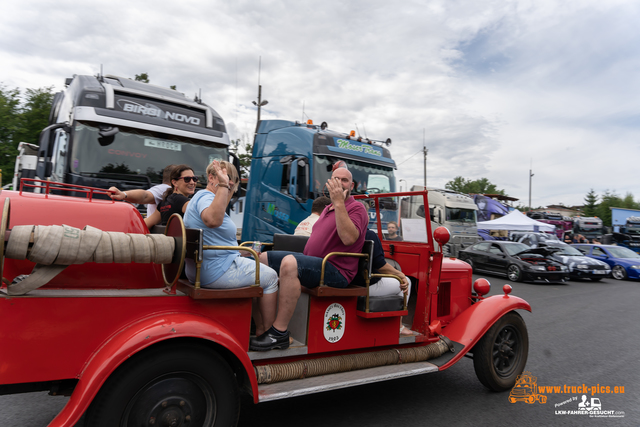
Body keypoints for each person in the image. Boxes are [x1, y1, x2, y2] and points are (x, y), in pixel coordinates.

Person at [250, 162, 368, 351]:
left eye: (344, 181)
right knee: (262, 259)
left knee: (290, 263)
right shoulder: (327, 209)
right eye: (336, 180)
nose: (340, 184)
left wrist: (339, 203)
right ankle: (264, 326)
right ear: (329, 183)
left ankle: (279, 333)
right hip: (316, 263)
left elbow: (348, 238)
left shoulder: (356, 208)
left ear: (351, 186)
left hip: (337, 270)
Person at [183, 160, 279, 336]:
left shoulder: (203, 197)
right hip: (213, 271)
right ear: (211, 177)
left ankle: (258, 330)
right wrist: (223, 184)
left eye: (232, 178)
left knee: (258, 272)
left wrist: (241, 251)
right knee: (271, 277)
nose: (231, 182)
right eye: (226, 177)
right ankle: (269, 334)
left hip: (203, 268)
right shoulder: (206, 197)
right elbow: (212, 221)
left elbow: (214, 240)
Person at [357, 229, 415, 335]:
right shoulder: (368, 234)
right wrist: (400, 275)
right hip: (365, 285)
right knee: (407, 281)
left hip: (350, 281)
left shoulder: (342, 232)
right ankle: (399, 326)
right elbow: (380, 266)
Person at [108, 164, 176, 228]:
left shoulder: (173, 192)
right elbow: (145, 195)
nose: (187, 183)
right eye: (186, 179)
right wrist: (123, 194)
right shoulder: (165, 189)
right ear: (175, 181)